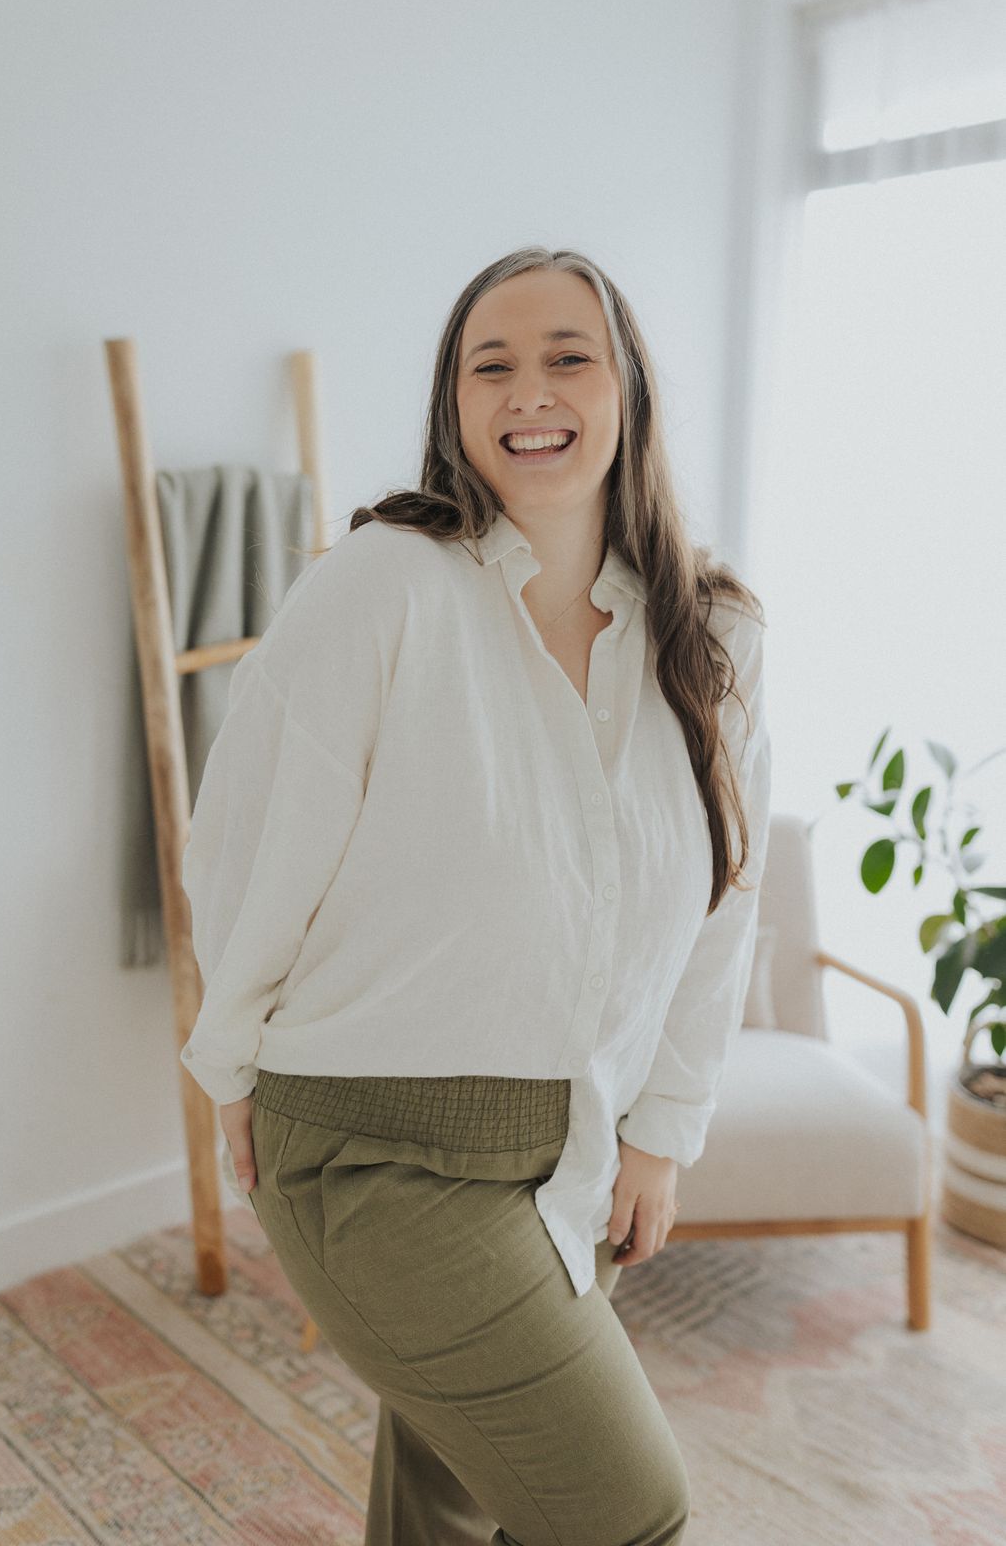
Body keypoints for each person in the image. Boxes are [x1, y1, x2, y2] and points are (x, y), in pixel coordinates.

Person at [179, 245, 772, 1546]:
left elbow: (725, 903)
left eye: (568, 355)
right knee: (629, 1512)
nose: (528, 392)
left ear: (630, 392)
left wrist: (666, 1126)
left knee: (455, 1503)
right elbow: (245, 844)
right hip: (369, 1145)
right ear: (454, 406)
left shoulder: (713, 636)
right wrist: (231, 1067)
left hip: (573, 1153)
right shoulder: (386, 587)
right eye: (487, 365)